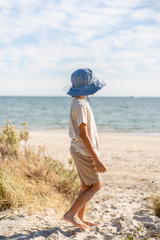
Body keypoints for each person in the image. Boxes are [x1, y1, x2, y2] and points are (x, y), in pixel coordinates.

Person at [63, 68, 107, 228]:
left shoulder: (77, 102)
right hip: (84, 151)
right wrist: (96, 159)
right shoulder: (81, 105)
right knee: (96, 185)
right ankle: (71, 214)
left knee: (86, 186)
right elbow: (84, 135)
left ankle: (79, 219)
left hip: (78, 149)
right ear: (87, 88)